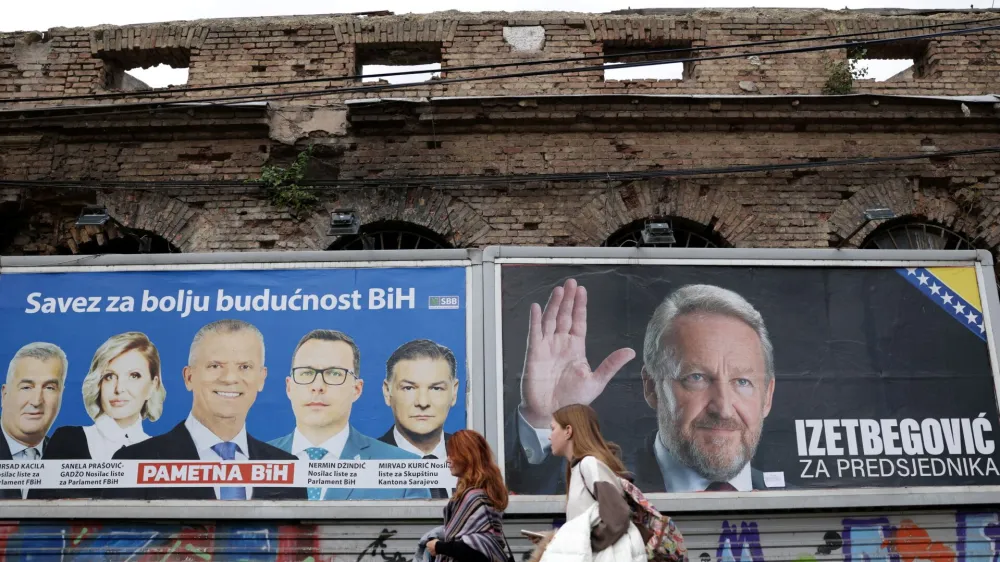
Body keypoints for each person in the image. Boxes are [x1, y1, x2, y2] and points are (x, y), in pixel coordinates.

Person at [510, 280, 775, 494]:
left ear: (767, 397)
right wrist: (546, 420)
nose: (724, 409)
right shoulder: (597, 488)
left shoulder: (802, 498)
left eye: (742, 382)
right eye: (696, 378)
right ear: (651, 387)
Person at [107, 319, 305, 501]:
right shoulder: (135, 461)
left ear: (261, 378)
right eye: (215, 366)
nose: (229, 378)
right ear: (189, 377)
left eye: (244, 367)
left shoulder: (288, 467)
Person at [269, 329, 430, 501]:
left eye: (335, 373)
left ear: (357, 389)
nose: (317, 386)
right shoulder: (252, 462)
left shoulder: (404, 469)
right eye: (306, 373)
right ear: (289, 387)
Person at [32, 332, 166, 499]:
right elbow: (37, 510)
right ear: (99, 383)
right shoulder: (67, 440)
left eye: (134, 376)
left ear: (153, 385)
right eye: (109, 377)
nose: (119, 388)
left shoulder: (162, 453)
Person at [541, 404, 645, 562]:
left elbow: (617, 516)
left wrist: (584, 544)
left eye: (553, 428)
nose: (550, 436)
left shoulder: (589, 464)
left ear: (568, 431)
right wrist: (559, 540)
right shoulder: (578, 468)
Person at [379, 339, 460, 499]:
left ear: (454, 392)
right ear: (387, 392)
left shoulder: (477, 459)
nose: (423, 402)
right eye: (408, 388)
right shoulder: (365, 462)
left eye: (436, 388)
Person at [425, 429, 512, 562]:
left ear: (466, 456)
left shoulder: (475, 497)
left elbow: (477, 549)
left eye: (452, 455)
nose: (448, 460)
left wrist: (439, 547)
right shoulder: (483, 492)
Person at [0, 342, 67, 500]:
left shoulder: (66, 458)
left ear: (60, 396)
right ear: (4, 395)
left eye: (49, 388)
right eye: (26, 387)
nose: (36, 401)